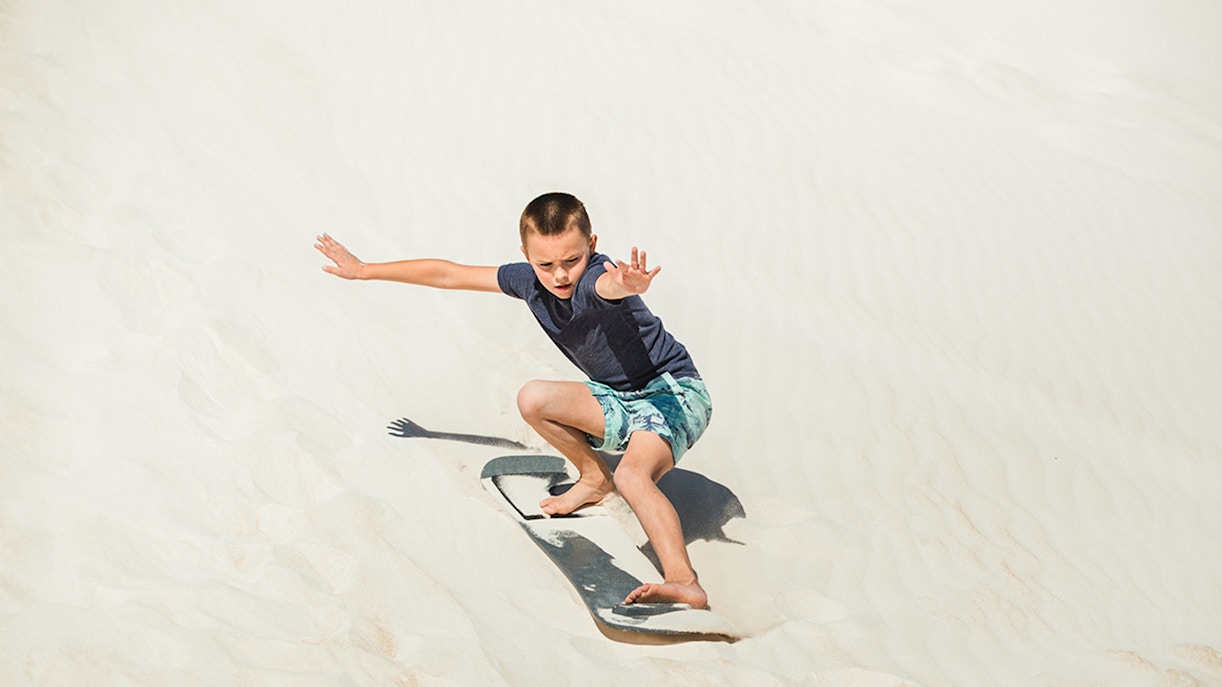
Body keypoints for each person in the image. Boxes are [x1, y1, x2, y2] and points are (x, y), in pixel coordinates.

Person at [314, 192, 713, 608]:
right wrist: (363, 271)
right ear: (526, 255)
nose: (560, 275)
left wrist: (627, 284)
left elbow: (606, 286)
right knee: (533, 399)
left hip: (672, 393)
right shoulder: (526, 281)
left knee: (633, 477)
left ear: (592, 246)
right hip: (619, 396)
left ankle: (686, 582)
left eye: (572, 260)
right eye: (546, 264)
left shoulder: (597, 278)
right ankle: (594, 478)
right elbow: (449, 274)